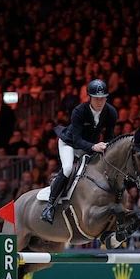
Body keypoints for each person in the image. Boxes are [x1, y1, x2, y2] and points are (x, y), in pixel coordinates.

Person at [41, 79, 118, 223]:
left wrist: (106, 146)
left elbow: (109, 136)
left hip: (90, 145)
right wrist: (94, 147)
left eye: (103, 98)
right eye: (96, 98)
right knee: (68, 169)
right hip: (69, 143)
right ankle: (49, 206)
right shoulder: (79, 111)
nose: (100, 101)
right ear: (90, 97)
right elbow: (77, 140)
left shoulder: (111, 112)